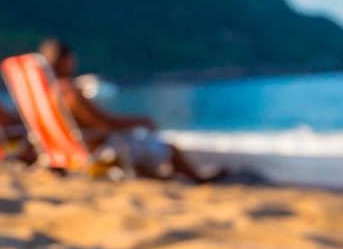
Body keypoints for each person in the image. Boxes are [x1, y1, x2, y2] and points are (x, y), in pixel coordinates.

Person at [38, 39, 219, 182]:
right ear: (66, 61)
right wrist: (140, 120)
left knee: (135, 145)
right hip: (99, 150)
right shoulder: (69, 92)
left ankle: (157, 178)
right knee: (170, 149)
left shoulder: (46, 94)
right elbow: (105, 123)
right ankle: (198, 179)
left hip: (76, 150)